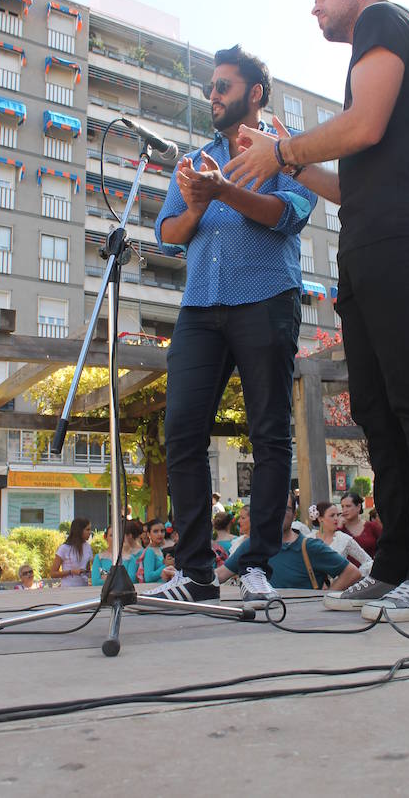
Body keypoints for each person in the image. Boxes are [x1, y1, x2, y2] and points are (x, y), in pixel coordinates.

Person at [225, 0, 409, 623]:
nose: (313, 6)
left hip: (406, 233)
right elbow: (349, 184)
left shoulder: (385, 21)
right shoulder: (370, 54)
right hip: (370, 238)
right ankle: (397, 565)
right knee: (378, 412)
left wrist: (281, 152)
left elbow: (361, 127)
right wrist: (290, 154)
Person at [147, 44, 317, 606]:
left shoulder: (286, 154)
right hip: (199, 307)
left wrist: (226, 191)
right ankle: (195, 572)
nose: (212, 95)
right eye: (210, 88)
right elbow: (168, 232)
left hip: (266, 300)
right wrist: (199, 201)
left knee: (270, 433)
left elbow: (288, 216)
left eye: (223, 86)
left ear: (254, 93)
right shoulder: (195, 159)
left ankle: (257, 564)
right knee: (181, 433)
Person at [218, 493, 361, 606]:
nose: (278, 513)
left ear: (294, 514)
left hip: (301, 624)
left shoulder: (310, 547)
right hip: (263, 624)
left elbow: (352, 573)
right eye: (273, 507)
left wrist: (325, 599)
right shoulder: (252, 545)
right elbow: (222, 574)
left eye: (284, 508)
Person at [309, 501, 373, 577]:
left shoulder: (344, 539)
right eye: (332, 515)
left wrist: (355, 577)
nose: (336, 518)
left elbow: (368, 562)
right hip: (312, 587)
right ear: (320, 519)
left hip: (341, 587)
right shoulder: (308, 539)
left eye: (338, 515)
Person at [51, 517, 93, 587]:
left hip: (84, 587)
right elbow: (53, 573)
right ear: (79, 530)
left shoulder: (88, 547)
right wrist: (71, 572)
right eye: (87, 529)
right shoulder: (64, 548)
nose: (90, 532)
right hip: (68, 588)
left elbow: (87, 569)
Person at [338, 492, 381, 559]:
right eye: (342, 506)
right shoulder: (339, 528)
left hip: (370, 567)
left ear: (358, 507)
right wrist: (339, 527)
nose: (344, 510)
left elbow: (384, 548)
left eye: (348, 506)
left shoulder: (372, 527)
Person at [139, 519, 176, 583]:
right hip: (157, 589)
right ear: (148, 534)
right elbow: (148, 577)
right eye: (155, 531)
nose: (160, 534)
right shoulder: (149, 552)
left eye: (162, 531)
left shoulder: (168, 547)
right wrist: (166, 565)